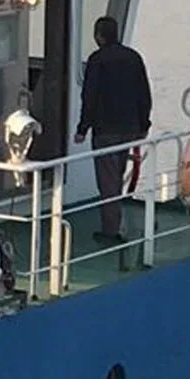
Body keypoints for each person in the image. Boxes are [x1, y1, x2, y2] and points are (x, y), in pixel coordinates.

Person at [75, 15, 152, 242]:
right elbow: (144, 94)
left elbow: (89, 98)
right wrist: (144, 124)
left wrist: (82, 129)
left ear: (99, 36)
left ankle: (111, 231)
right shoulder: (134, 58)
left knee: (108, 182)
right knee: (117, 175)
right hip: (130, 129)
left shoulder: (97, 61)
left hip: (106, 131)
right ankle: (117, 222)